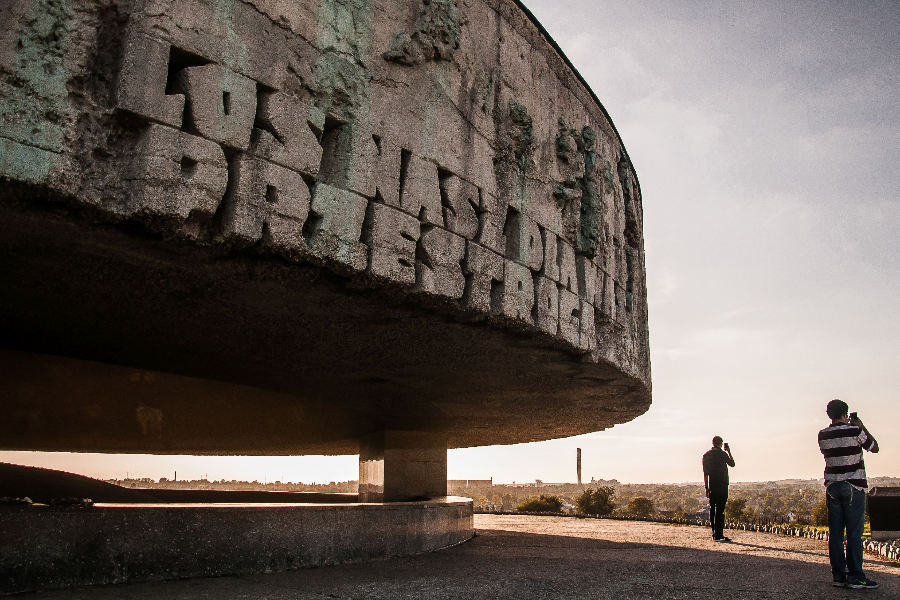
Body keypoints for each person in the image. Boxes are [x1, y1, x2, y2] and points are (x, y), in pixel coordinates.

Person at [818, 399, 880, 589]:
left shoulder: (823, 435)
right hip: (853, 485)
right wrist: (861, 426)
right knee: (854, 533)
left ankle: (838, 575)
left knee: (835, 533)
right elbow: (874, 447)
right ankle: (856, 577)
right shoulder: (854, 431)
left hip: (832, 487)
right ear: (845, 413)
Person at [702, 436, 735, 542]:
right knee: (720, 510)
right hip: (722, 485)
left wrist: (707, 487)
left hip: (712, 485)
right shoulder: (722, 454)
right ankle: (719, 534)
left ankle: (714, 533)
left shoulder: (706, 455)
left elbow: (706, 473)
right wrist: (729, 451)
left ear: (712, 443)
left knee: (712, 509)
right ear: (720, 443)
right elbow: (732, 464)